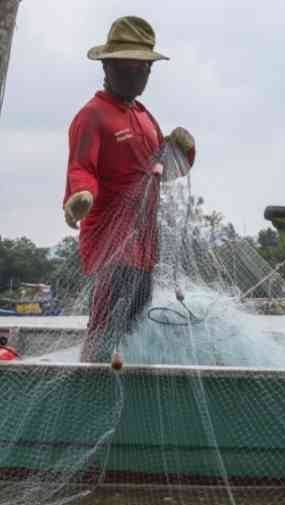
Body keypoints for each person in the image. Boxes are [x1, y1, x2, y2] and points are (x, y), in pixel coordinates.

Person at [63, 16, 196, 361]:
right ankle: (90, 376)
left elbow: (159, 171)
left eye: (145, 68)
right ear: (107, 66)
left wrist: (184, 152)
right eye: (129, 67)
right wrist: (80, 196)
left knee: (135, 324)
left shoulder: (145, 116)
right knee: (106, 323)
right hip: (111, 244)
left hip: (144, 244)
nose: (138, 75)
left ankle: (123, 379)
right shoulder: (92, 116)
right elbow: (82, 167)